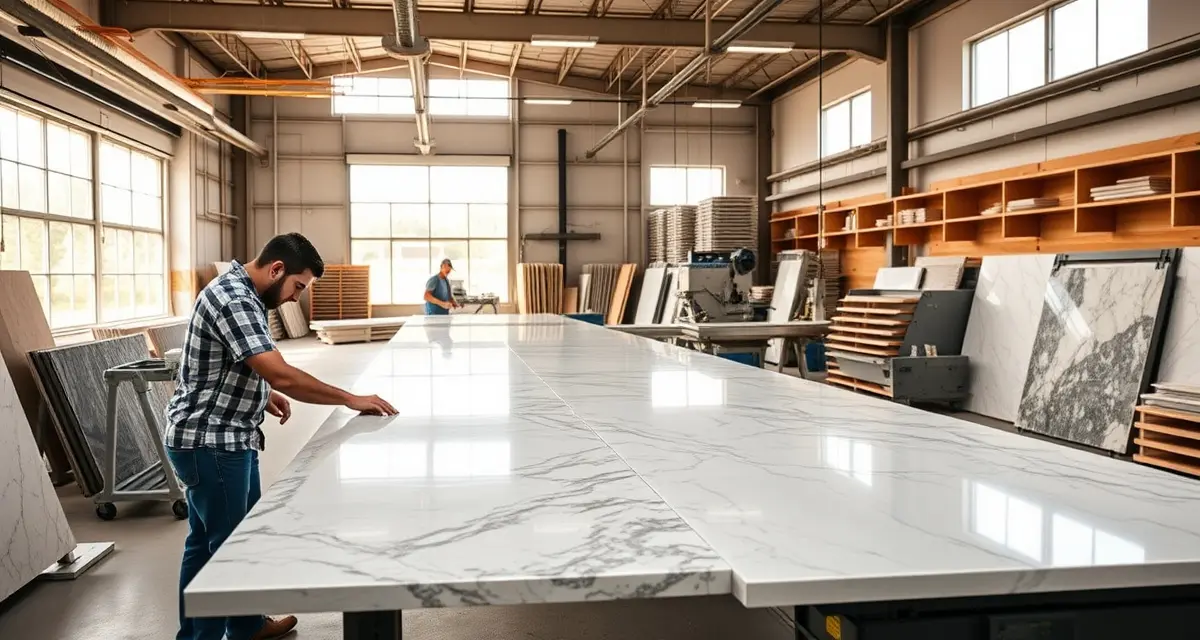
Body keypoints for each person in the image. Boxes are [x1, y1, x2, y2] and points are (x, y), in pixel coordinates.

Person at [164, 233, 398, 640]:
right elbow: (283, 372)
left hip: (227, 436)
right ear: (277, 270)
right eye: (297, 286)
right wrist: (350, 398)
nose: (295, 298)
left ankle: (246, 624)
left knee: (214, 540)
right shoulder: (236, 299)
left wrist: (260, 393)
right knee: (228, 549)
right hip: (212, 443)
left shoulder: (243, 293)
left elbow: (228, 362)